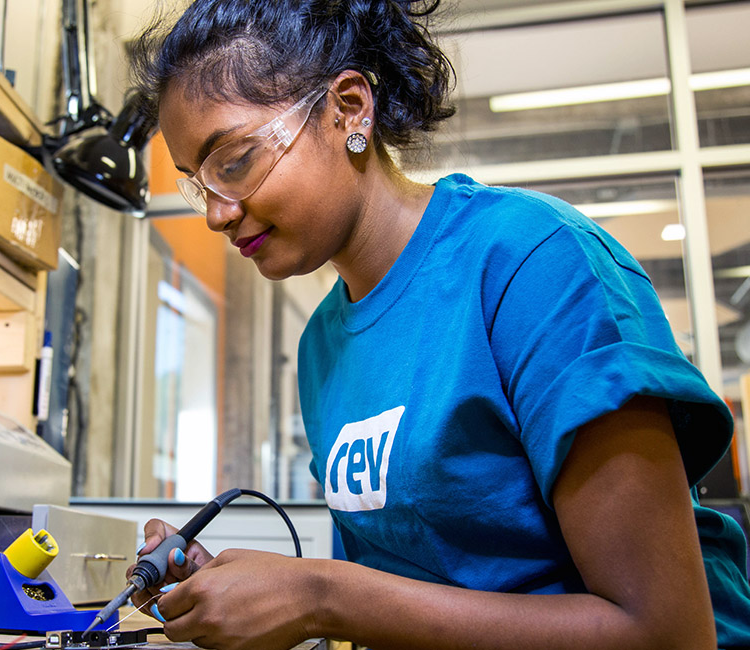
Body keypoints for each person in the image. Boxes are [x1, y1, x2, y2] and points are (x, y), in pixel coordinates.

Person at [125, 1, 750, 648]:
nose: (217, 215)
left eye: (232, 163)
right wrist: (240, 591)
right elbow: (405, 584)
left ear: (347, 109)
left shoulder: (531, 262)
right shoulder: (322, 348)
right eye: (199, 184)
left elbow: (667, 634)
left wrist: (319, 596)